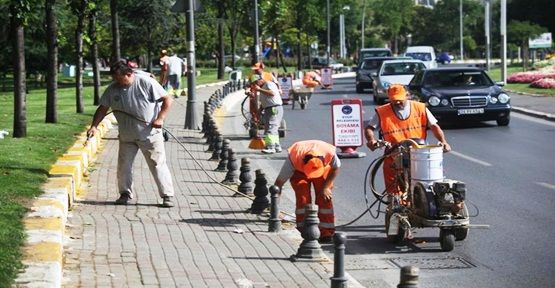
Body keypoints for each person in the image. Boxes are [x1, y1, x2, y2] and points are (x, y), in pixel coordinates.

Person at [86, 59, 176, 207]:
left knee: (157, 163)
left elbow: (168, 100)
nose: (117, 82)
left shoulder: (146, 83)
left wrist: (160, 118)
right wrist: (94, 126)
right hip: (126, 136)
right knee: (124, 166)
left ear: (129, 74)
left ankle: (167, 195)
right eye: (115, 79)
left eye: (120, 78)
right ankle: (125, 193)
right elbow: (102, 108)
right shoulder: (113, 89)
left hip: (149, 134)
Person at [364, 84, 451, 196]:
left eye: (400, 100)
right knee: (394, 191)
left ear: (407, 95)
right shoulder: (383, 111)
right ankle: (395, 206)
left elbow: (434, 127)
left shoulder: (420, 108)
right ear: (389, 98)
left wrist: (443, 141)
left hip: (418, 153)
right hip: (394, 154)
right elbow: (369, 128)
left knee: (428, 182)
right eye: (394, 100)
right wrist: (371, 140)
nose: (397, 103)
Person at [274, 140, 341, 243]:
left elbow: (336, 168)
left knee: (324, 197)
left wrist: (326, 187)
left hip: (323, 170)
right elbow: (278, 184)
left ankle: (326, 232)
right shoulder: (294, 158)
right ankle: (304, 229)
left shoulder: (329, 153)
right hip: (299, 172)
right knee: (303, 198)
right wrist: (275, 210)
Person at [250, 74, 283, 154]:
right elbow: (264, 101)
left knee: (271, 128)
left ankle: (270, 147)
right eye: (254, 83)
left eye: (256, 82)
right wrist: (259, 111)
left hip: (274, 108)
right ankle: (276, 146)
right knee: (272, 128)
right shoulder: (262, 87)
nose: (256, 85)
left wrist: (259, 90)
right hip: (268, 108)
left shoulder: (268, 84)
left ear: (260, 80)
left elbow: (272, 93)